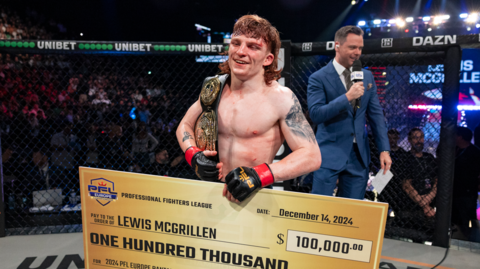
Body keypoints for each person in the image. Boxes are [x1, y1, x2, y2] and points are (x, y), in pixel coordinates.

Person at [176, 14, 321, 202]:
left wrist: (259, 175)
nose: (241, 51)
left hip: (252, 198)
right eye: (236, 43)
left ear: (268, 59)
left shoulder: (281, 98)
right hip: (208, 192)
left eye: (253, 46)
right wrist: (193, 154)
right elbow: (184, 125)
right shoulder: (213, 88)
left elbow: (311, 156)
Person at [307, 25, 391, 199]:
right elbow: (316, 114)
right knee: (319, 210)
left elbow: (376, 115)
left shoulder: (366, 77)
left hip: (359, 156)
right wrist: (347, 97)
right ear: (337, 45)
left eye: (360, 47)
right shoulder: (318, 78)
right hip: (328, 153)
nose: (357, 52)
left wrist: (384, 149)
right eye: (352, 47)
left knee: (351, 214)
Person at [452, 126, 480, 242]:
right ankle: (454, 238)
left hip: (468, 192)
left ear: (460, 137)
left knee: (468, 217)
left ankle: (471, 240)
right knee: (454, 217)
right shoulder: (453, 150)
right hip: (453, 191)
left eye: (455, 135)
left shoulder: (475, 152)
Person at [402, 128, 437, 218]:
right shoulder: (406, 158)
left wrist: (429, 197)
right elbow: (406, 185)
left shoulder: (429, 157)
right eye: (415, 137)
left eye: (421, 137)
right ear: (410, 140)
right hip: (412, 204)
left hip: (430, 200)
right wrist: (424, 205)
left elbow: (437, 181)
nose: (419, 140)